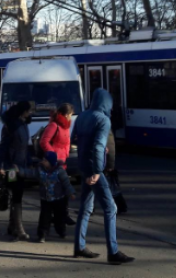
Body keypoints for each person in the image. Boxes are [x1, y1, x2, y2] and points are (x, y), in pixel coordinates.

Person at [72, 88, 134, 265]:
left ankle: (79, 246)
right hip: (93, 169)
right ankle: (113, 252)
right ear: (107, 103)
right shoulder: (103, 119)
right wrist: (98, 171)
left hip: (83, 165)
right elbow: (99, 146)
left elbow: (74, 140)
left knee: (85, 207)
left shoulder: (82, 116)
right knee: (110, 208)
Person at [0, 101, 33, 241]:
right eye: (29, 111)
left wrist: (29, 162)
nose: (30, 113)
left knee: (17, 195)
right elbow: (3, 147)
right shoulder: (11, 127)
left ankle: (12, 226)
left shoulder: (23, 124)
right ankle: (19, 229)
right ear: (23, 112)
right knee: (16, 195)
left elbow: (24, 147)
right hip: (11, 168)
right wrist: (0, 166)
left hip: (21, 166)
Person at [20, 151, 75, 243]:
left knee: (59, 217)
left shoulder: (59, 171)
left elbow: (66, 183)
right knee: (44, 218)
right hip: (45, 199)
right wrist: (20, 171)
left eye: (46, 160)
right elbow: (31, 173)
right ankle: (42, 234)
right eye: (43, 159)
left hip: (58, 198)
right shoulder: (40, 170)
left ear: (51, 162)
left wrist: (71, 193)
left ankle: (61, 231)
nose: (43, 161)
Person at [39, 103, 76, 226]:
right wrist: (53, 156)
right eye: (70, 115)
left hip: (62, 162)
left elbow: (66, 143)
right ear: (65, 115)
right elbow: (44, 141)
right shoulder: (54, 125)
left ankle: (63, 215)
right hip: (54, 163)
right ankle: (54, 218)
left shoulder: (65, 127)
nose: (70, 118)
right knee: (54, 191)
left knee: (63, 190)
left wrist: (65, 154)